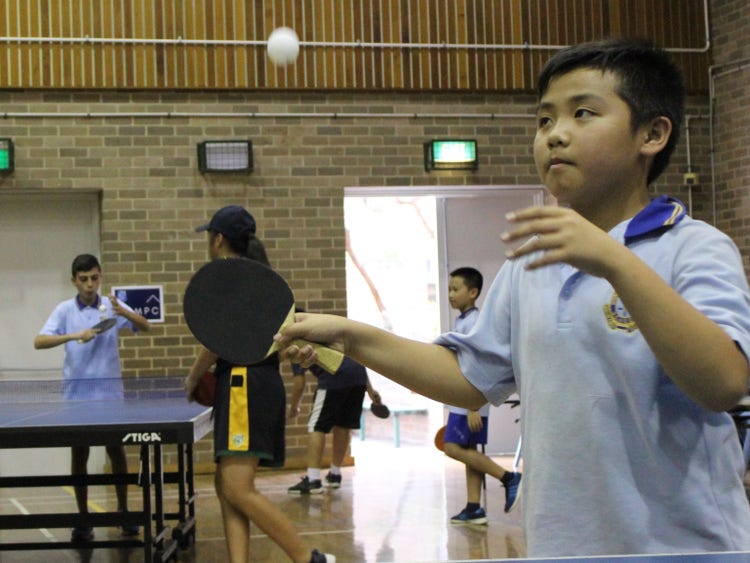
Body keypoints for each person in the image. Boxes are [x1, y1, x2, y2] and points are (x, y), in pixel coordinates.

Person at [274, 38, 750, 557]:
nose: (556, 135)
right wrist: (349, 334)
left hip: (688, 549)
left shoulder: (695, 248)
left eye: (583, 113)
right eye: (545, 121)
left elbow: (724, 382)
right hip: (560, 547)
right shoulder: (530, 263)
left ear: (653, 134)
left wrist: (614, 261)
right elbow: (467, 380)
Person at [183, 205, 335, 563]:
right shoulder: (260, 279)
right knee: (227, 485)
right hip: (254, 382)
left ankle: (308, 557)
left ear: (218, 239)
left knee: (236, 486)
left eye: (210, 236)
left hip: (242, 385)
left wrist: (192, 379)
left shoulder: (230, 280)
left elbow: (214, 342)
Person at [34, 253, 151, 543]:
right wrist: (74, 336)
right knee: (80, 455)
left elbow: (146, 326)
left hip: (110, 396)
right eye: (83, 279)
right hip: (77, 398)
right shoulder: (63, 310)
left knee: (117, 453)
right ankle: (83, 519)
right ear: (74, 280)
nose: (89, 284)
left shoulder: (111, 305)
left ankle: (124, 512)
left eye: (94, 278)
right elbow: (39, 341)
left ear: (100, 277)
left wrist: (125, 313)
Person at [443, 267, 521, 523]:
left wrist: (472, 406)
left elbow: (476, 363)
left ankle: (509, 477)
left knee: (452, 447)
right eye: (449, 289)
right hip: (465, 401)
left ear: (473, 292)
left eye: (456, 289)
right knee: (469, 451)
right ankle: (474, 507)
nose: (451, 294)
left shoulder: (474, 321)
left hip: (469, 401)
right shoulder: (462, 320)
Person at [287, 356, 381, 494]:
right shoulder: (327, 334)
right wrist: (371, 391)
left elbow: (299, 384)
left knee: (316, 427)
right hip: (359, 378)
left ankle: (313, 480)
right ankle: (335, 474)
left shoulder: (296, 346)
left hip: (333, 378)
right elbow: (356, 362)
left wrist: (294, 407)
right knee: (343, 425)